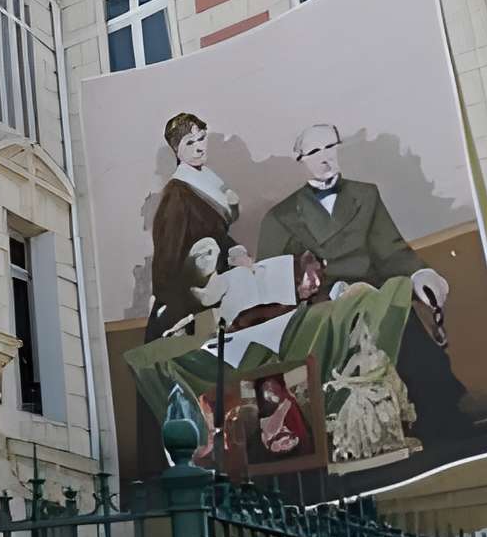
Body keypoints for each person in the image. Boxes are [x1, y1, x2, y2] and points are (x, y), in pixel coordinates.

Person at [257, 122, 465, 444]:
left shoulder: (365, 195)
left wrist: (420, 274)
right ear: (301, 159)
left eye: (330, 147)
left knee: (409, 339)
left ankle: (440, 426)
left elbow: (391, 251)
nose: (325, 157)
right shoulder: (281, 217)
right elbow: (270, 285)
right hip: (324, 314)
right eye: (315, 151)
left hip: (373, 298)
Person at [147, 112, 247, 337]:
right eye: (189, 142)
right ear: (176, 150)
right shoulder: (177, 195)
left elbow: (212, 231)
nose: (199, 147)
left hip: (218, 285)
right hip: (192, 298)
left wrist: (234, 250)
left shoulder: (209, 180)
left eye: (201, 138)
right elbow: (168, 258)